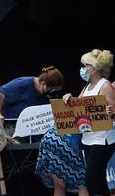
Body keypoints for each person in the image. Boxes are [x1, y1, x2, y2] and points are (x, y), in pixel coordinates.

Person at [63, 49, 115, 196]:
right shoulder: (87, 86)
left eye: (85, 65)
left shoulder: (105, 86)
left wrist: (111, 113)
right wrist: (69, 98)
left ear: (94, 68)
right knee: (98, 179)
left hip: (103, 140)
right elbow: (77, 106)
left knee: (92, 179)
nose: (82, 69)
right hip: (89, 139)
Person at [35, 66, 88, 196]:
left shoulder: (88, 87)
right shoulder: (95, 87)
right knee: (83, 181)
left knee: (59, 185)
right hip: (70, 141)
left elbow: (76, 104)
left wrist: (70, 97)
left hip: (51, 139)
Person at [0, 66, 64, 125]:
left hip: (32, 130)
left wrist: (66, 99)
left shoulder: (48, 93)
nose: (52, 92)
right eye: (51, 89)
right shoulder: (22, 84)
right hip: (9, 126)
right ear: (43, 83)